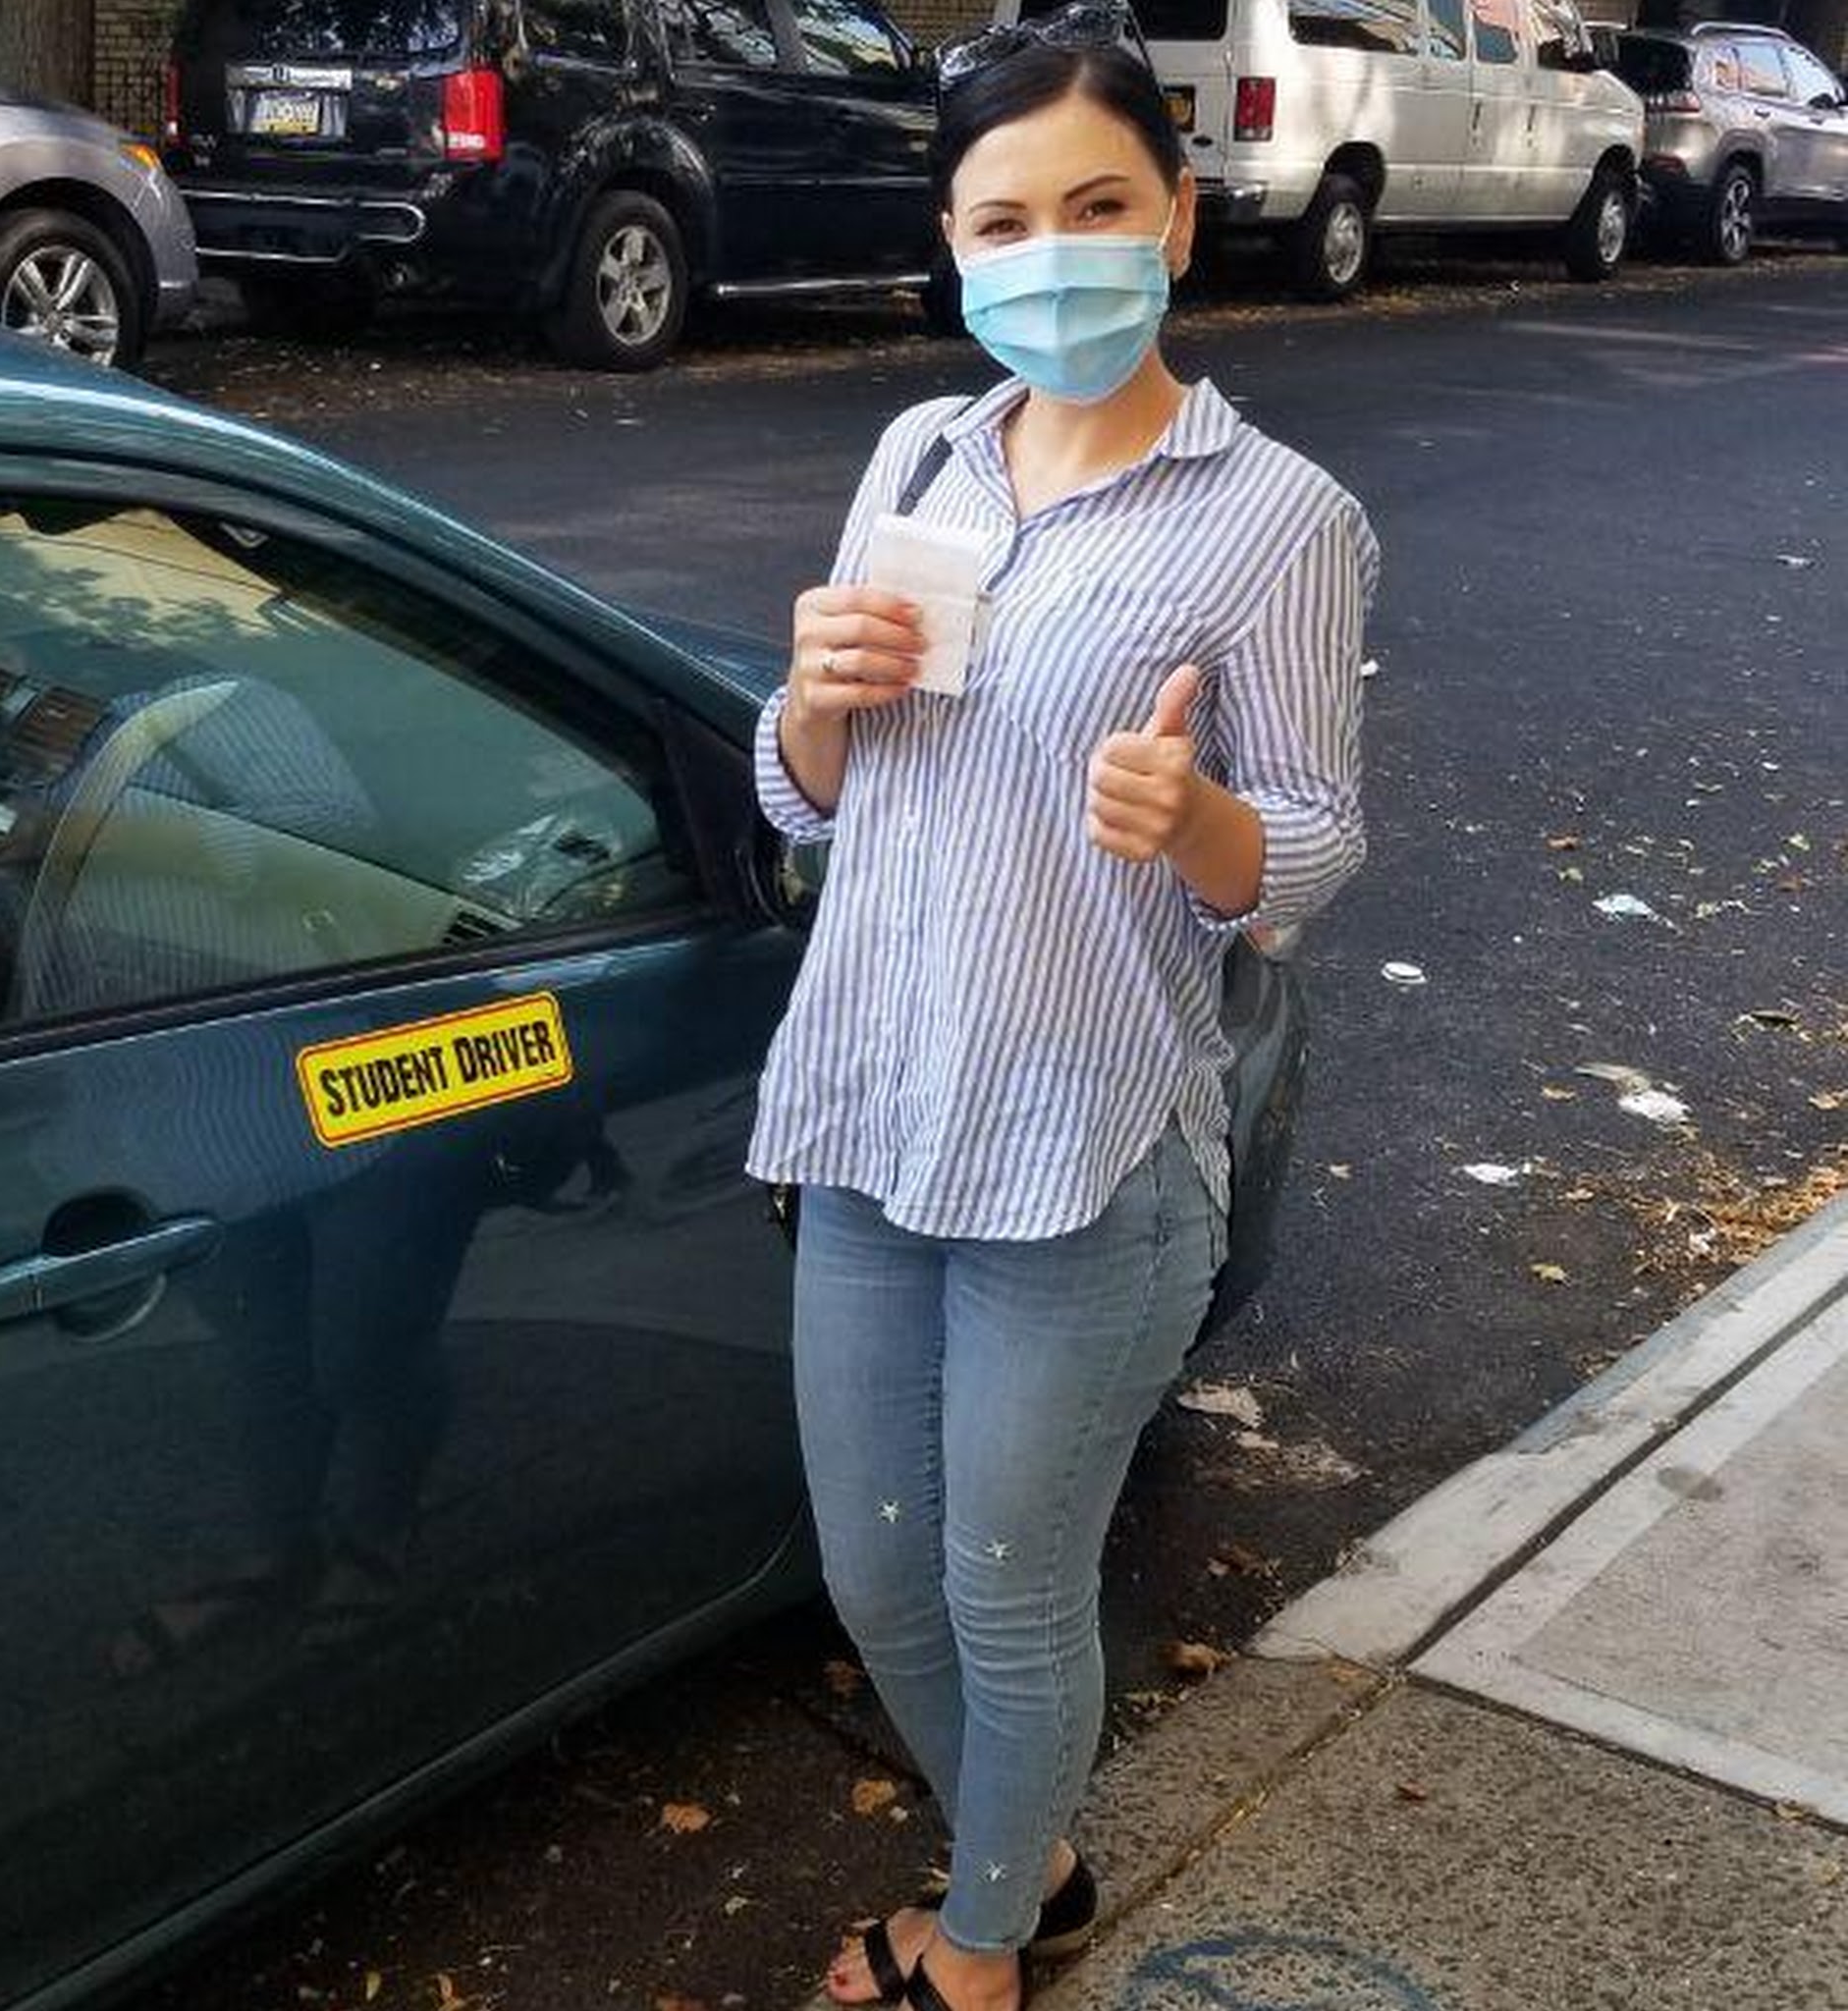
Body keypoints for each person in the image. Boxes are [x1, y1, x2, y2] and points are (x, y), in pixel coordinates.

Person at [744, 8, 1378, 2011]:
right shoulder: (918, 457)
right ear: (953, 243)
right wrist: (810, 702)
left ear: (1177, 222)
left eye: (1098, 207)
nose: (1051, 255)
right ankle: (1042, 1858)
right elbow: (806, 796)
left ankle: (986, 1940)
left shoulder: (1279, 517)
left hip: (1089, 1146)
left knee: (1008, 1598)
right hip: (874, 1110)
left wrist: (1200, 821)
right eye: (1004, 221)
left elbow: (1312, 849)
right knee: (878, 1576)